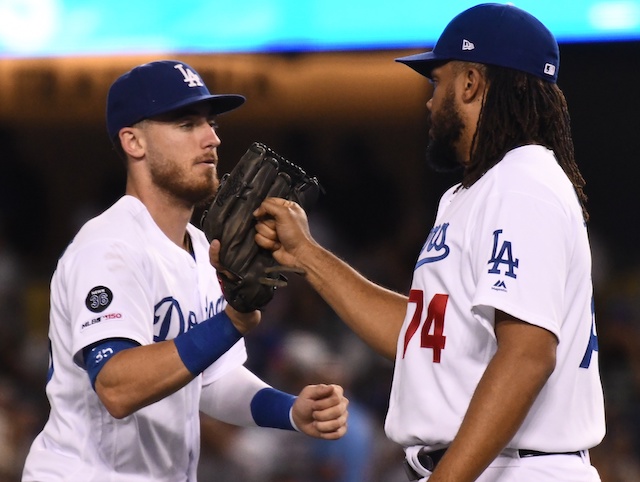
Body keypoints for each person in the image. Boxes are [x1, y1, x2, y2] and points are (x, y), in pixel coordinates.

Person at [248, 3, 606, 482]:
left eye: (437, 81)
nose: (429, 101)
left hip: (514, 469)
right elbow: (423, 336)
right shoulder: (475, 193)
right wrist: (306, 257)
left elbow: (527, 355)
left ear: (471, 83)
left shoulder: (522, 183)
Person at [21, 60, 348, 482]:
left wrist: (289, 410)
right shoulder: (109, 246)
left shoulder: (200, 246)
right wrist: (230, 323)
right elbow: (117, 388)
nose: (212, 138)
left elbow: (212, 380)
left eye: (210, 123)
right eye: (185, 124)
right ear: (133, 142)